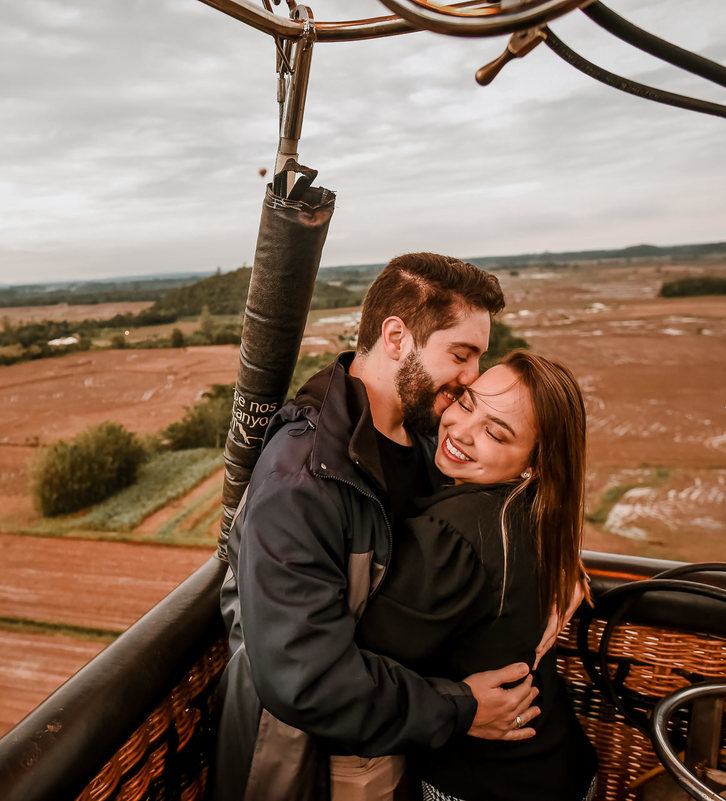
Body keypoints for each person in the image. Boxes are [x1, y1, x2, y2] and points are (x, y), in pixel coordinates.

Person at [214, 253, 557, 801]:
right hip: (311, 761)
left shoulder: (426, 436)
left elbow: (506, 501)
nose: (471, 378)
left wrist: (559, 566)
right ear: (396, 337)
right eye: (461, 354)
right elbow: (304, 675)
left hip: (395, 744)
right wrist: (460, 709)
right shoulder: (302, 478)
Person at [357, 350, 597, 801]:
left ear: (534, 463)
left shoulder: (453, 536)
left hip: (487, 784)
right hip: (563, 766)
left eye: (495, 433)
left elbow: (363, 661)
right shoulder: (539, 515)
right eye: (466, 404)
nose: (461, 430)